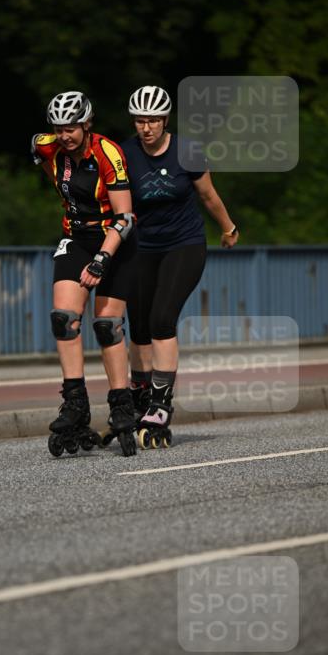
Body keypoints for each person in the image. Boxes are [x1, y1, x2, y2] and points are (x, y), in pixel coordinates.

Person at [121, 84, 239, 447]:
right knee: (137, 326)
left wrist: (228, 227)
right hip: (142, 247)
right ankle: (140, 398)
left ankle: (160, 405)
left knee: (161, 319)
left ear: (165, 119)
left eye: (153, 120)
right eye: (140, 120)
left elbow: (207, 195)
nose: (147, 128)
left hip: (184, 245)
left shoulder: (187, 150)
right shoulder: (125, 153)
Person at [32, 90, 139, 456]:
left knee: (106, 324)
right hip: (76, 235)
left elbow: (126, 218)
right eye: (60, 128)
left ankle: (122, 404)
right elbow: (40, 150)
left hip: (114, 238)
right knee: (64, 319)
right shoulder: (49, 147)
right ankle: (75, 403)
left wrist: (101, 261)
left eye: (72, 128)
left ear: (87, 124)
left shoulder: (108, 153)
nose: (65, 135)